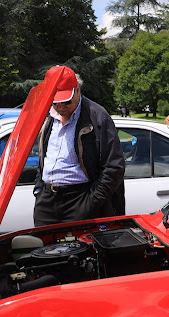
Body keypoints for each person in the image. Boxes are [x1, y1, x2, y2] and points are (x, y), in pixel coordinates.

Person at [33, 65, 125, 227]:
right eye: (55, 103)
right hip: (46, 203)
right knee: (44, 250)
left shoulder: (98, 116)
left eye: (65, 102)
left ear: (77, 90)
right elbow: (44, 158)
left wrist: (91, 202)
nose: (60, 107)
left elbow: (114, 166)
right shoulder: (47, 117)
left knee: (80, 251)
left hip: (80, 201)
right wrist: (39, 190)